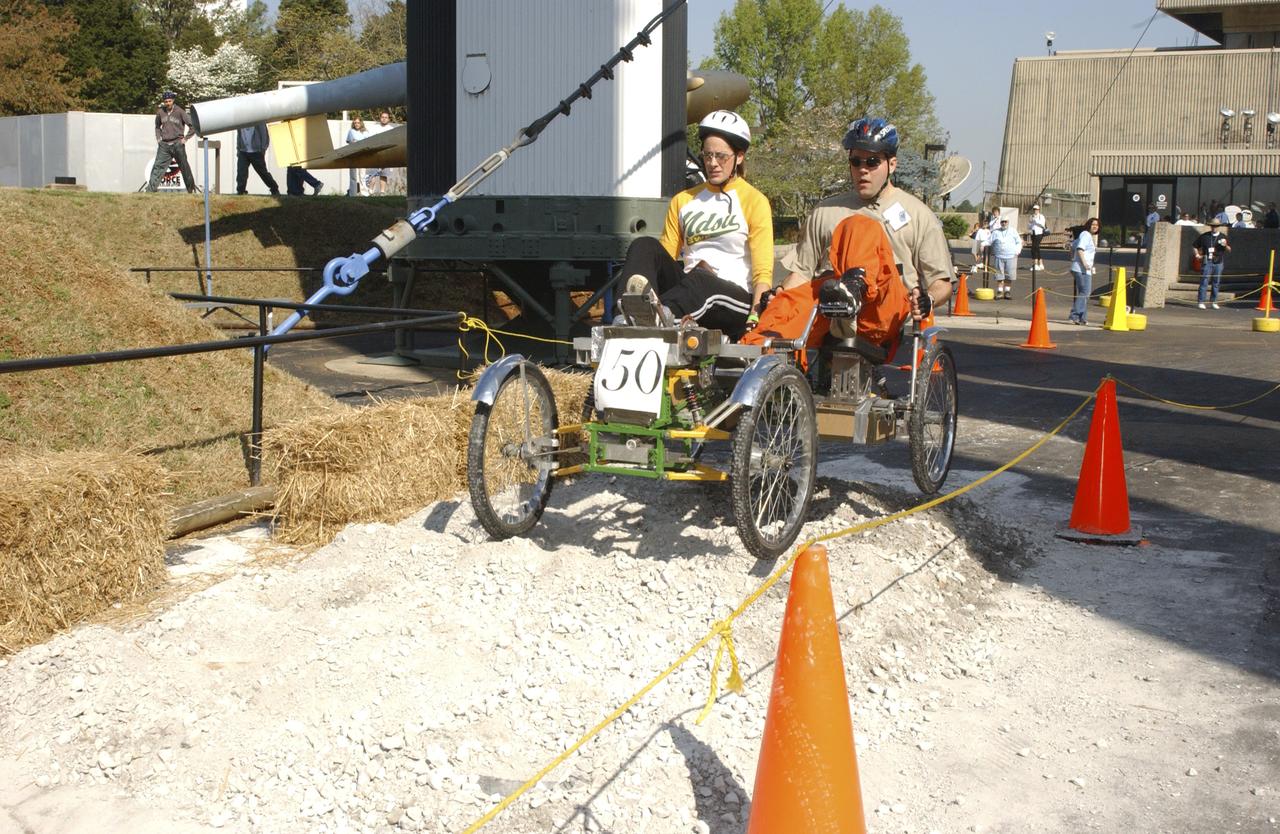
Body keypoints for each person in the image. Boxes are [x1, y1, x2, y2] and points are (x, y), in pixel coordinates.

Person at [778, 116, 953, 335]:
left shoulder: (918, 214)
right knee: (775, 319)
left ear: (892, 164)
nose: (863, 169)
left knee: (860, 227)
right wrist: (777, 296)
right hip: (826, 312)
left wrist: (930, 299)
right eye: (856, 162)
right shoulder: (824, 211)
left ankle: (852, 294)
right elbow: (801, 275)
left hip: (883, 315)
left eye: (872, 162)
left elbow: (941, 282)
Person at [615, 110, 773, 337]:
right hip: (689, 293)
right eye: (707, 156)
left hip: (734, 300)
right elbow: (664, 259)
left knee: (701, 281)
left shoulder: (754, 201)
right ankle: (625, 314)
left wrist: (757, 316)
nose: (713, 163)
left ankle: (657, 316)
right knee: (644, 246)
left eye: (721, 156)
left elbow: (763, 273)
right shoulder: (684, 200)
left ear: (739, 157)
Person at [146, 91, 197, 193]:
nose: (168, 103)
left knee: (184, 167)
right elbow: (157, 127)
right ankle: (150, 191)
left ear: (173, 101)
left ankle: (191, 190)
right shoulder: (160, 112)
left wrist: (186, 138)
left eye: (169, 101)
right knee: (157, 167)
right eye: (166, 101)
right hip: (164, 145)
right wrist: (158, 138)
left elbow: (193, 126)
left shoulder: (180, 112)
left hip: (178, 144)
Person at [235, 123, 279, 196]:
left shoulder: (258, 121)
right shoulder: (241, 121)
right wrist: (238, 149)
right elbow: (239, 135)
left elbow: (264, 135)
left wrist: (263, 149)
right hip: (243, 151)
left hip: (256, 151)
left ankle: (274, 188)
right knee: (241, 172)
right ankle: (240, 191)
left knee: (262, 172)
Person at [1194, 220, 1231, 309]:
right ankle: (1201, 301)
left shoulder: (1223, 236)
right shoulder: (1205, 236)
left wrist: (1225, 245)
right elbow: (1195, 245)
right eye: (1213, 226)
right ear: (1210, 226)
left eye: (1216, 226)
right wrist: (1197, 255)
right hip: (1207, 260)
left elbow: (1229, 249)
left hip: (1218, 261)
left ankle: (1214, 301)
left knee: (1216, 282)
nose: (1214, 228)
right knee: (1204, 281)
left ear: (1219, 227)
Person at [1069, 217, 1099, 325]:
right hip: (1082, 269)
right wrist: (1084, 263)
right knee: (1085, 292)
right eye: (1093, 224)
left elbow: (1072, 246)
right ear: (1088, 225)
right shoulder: (1086, 235)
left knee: (1084, 293)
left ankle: (1082, 317)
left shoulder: (1085, 235)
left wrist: (1073, 258)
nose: (1095, 226)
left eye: (1097, 225)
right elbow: (1080, 249)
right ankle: (1074, 315)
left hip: (1082, 269)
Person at [988, 216, 1022, 299]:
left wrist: (1017, 251)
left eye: (1005, 222)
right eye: (1002, 222)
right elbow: (989, 241)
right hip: (999, 256)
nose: (1004, 223)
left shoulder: (1013, 231)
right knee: (999, 275)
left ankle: (1007, 291)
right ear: (1000, 223)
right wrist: (982, 245)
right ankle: (999, 291)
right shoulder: (996, 232)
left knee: (1009, 275)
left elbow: (1019, 242)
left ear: (1008, 222)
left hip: (1011, 256)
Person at [364, 111, 395, 195]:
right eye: (382, 117)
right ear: (380, 118)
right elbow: (369, 139)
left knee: (384, 174)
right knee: (372, 173)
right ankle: (370, 191)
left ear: (388, 119)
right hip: (375, 153)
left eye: (386, 117)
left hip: (386, 153)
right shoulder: (374, 128)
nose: (384, 119)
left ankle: (382, 192)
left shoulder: (391, 129)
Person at [346, 115, 370, 196]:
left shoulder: (365, 132)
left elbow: (367, 142)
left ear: (361, 123)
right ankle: (353, 194)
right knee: (353, 175)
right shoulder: (351, 131)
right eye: (355, 123)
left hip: (362, 155)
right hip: (353, 155)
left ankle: (364, 193)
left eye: (358, 123)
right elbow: (349, 142)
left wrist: (357, 142)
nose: (356, 124)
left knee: (362, 175)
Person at [1027, 202, 1048, 271]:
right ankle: (1041, 263)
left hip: (1039, 234)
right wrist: (1030, 225)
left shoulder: (1041, 216)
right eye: (1034, 209)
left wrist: (1035, 221)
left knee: (1034, 248)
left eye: (1036, 209)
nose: (1035, 211)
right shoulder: (1031, 216)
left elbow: (1043, 225)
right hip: (1033, 233)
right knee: (1037, 247)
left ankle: (1035, 264)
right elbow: (1029, 225)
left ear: (1039, 210)